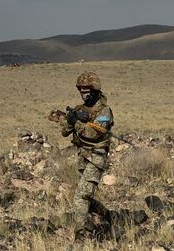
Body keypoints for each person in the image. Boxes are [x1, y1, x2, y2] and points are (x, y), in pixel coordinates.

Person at [51, 72, 114, 240]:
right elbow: (65, 132)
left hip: (96, 157)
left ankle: (81, 235)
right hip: (82, 156)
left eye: (87, 90)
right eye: (81, 90)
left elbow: (91, 134)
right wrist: (70, 119)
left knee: (80, 196)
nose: (83, 94)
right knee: (86, 195)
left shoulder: (104, 111)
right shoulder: (79, 109)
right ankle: (108, 216)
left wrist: (78, 121)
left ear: (94, 90)